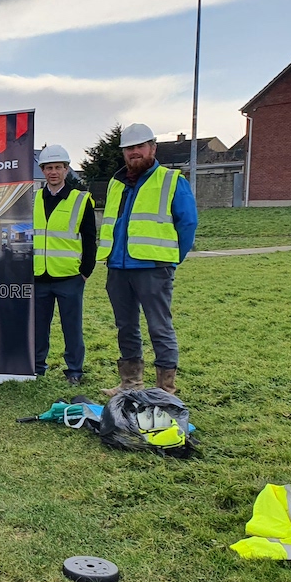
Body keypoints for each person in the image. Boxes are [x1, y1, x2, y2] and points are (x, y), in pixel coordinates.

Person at [98, 123, 198, 396]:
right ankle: (130, 384)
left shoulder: (172, 180)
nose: (134, 153)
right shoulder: (116, 184)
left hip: (154, 268)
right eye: (129, 149)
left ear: (153, 148)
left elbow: (187, 224)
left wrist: (172, 259)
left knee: (159, 327)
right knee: (125, 327)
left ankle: (165, 390)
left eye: (140, 147)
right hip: (118, 267)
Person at [32, 144, 96, 385]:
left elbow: (90, 239)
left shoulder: (81, 200)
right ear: (42, 170)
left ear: (67, 169)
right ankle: (38, 366)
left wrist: (85, 271)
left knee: (72, 328)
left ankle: (74, 370)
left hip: (70, 277)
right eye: (49, 168)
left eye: (58, 167)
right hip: (40, 276)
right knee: (39, 328)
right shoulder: (34, 199)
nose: (53, 172)